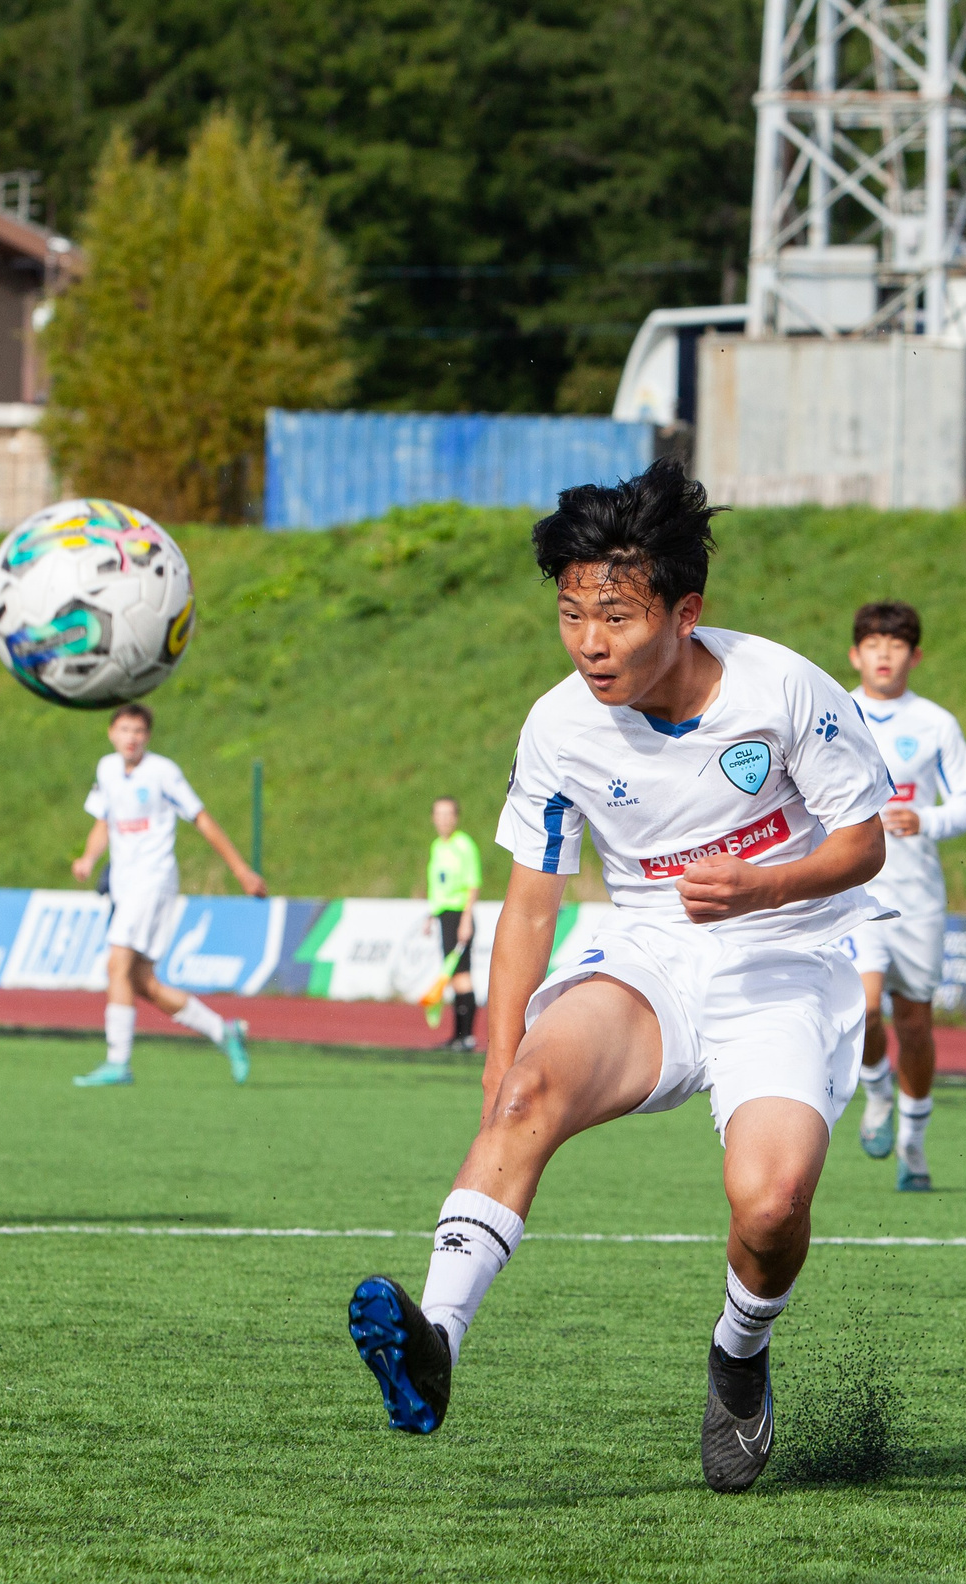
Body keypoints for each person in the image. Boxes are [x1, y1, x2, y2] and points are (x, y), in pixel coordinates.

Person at [345, 460, 891, 1494]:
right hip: (647, 950)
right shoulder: (558, 726)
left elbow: (863, 845)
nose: (590, 642)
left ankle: (738, 1352)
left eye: (615, 615)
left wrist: (764, 887)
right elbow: (532, 903)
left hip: (786, 954)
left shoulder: (781, 690)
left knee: (770, 1205)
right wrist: (503, 1063)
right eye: (569, 614)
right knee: (531, 1088)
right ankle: (437, 1342)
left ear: (685, 613)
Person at [844, 600, 966, 1191]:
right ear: (855, 655)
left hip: (919, 896)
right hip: (854, 891)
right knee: (864, 1007)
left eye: (896, 645)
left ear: (914, 656)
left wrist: (923, 820)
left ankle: (914, 1142)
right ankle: (877, 1093)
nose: (884, 654)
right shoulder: (836, 713)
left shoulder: (936, 724)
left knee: (917, 1024)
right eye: (873, 644)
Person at [67, 703, 267, 1086]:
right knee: (142, 982)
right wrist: (89, 858)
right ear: (111, 733)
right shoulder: (106, 769)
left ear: (148, 737)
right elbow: (103, 822)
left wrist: (241, 870)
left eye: (138, 731)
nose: (131, 738)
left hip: (153, 880)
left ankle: (118, 1062)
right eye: (124, 729)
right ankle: (223, 1031)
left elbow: (202, 819)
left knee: (116, 963)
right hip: (125, 886)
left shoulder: (163, 773)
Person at [426, 796, 482, 1051]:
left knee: (462, 976)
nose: (444, 820)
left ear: (456, 817)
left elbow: (472, 885)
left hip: (460, 915)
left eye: (448, 814)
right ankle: (457, 1036)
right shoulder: (437, 846)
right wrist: (431, 916)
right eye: (439, 814)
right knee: (452, 977)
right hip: (445, 916)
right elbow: (438, 887)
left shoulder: (464, 845)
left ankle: (467, 1036)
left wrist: (466, 920)